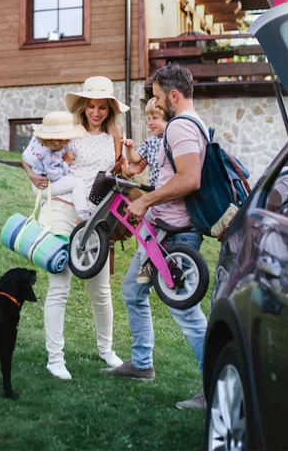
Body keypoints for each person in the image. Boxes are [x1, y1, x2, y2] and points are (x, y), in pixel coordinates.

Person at [101, 63, 209, 411]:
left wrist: (145, 199)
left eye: (160, 97)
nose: (158, 104)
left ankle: (216, 387)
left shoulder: (180, 127)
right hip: (159, 231)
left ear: (174, 95)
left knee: (188, 314)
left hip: (177, 238)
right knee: (133, 290)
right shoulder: (189, 126)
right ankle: (142, 363)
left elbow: (190, 179)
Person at [20, 76, 129, 381]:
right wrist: (31, 175)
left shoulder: (116, 137)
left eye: (102, 108)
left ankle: (106, 350)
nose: (96, 112)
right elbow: (31, 153)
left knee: (101, 289)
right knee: (60, 285)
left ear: (110, 110)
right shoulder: (67, 130)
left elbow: (119, 173)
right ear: (83, 106)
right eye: (91, 106)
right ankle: (55, 358)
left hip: (96, 218)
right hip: (61, 207)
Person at [121, 97, 174, 284]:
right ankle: (146, 263)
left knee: (150, 228)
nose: (151, 123)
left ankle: (147, 263)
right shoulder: (151, 142)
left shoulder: (174, 140)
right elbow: (135, 158)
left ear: (169, 120)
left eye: (156, 118)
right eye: (149, 118)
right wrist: (129, 150)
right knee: (147, 228)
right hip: (155, 193)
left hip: (168, 193)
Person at [21, 111, 91, 220]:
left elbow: (25, 156)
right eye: (59, 145)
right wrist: (66, 162)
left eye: (66, 142)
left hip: (38, 182)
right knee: (77, 183)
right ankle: (84, 215)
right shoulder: (48, 155)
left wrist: (30, 174)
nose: (63, 147)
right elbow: (56, 176)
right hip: (44, 186)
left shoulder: (38, 139)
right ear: (47, 141)